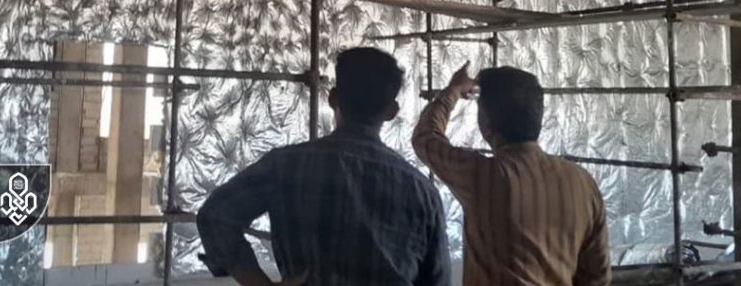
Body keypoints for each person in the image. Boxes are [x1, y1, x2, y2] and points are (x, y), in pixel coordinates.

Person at [197, 47, 450, 286]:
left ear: (333, 98)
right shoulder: (423, 192)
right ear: (392, 111)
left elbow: (215, 216)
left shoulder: (285, 166)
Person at [413, 64, 611, 286]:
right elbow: (597, 277)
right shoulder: (583, 183)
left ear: (485, 125)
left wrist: (453, 91)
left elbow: (425, 138)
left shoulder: (483, 177)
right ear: (538, 116)